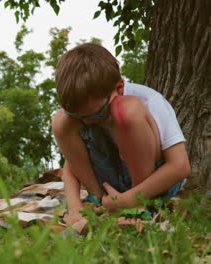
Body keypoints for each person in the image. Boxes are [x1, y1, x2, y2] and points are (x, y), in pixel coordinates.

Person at [51, 43, 190, 226]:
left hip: (153, 184)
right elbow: (72, 163)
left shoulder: (150, 101)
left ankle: (140, 206)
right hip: (111, 186)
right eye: (80, 117)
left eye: (97, 114)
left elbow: (180, 167)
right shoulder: (85, 114)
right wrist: (75, 207)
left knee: (126, 110)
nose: (88, 122)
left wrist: (127, 201)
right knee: (61, 120)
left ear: (119, 87)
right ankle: (97, 200)